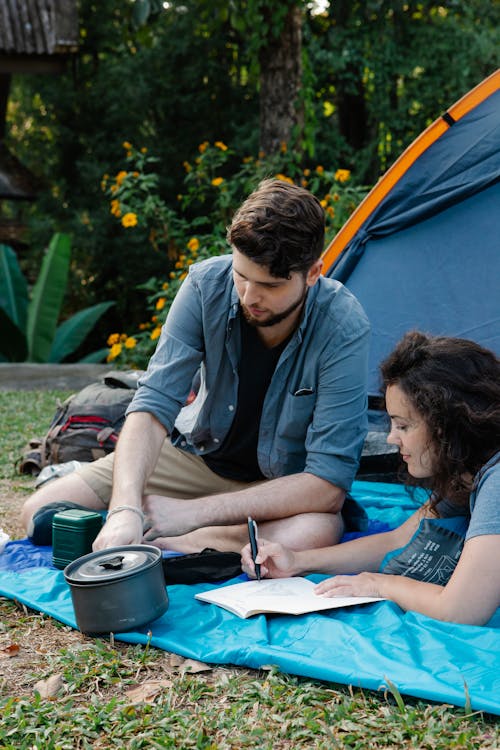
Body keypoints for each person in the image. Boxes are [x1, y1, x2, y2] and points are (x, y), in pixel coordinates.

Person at [21, 178, 371, 554]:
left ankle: (173, 540)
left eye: (269, 285)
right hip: (196, 458)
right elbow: (153, 404)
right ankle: (146, 530)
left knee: (315, 532)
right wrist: (124, 507)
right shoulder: (206, 285)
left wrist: (195, 513)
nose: (249, 297)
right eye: (241, 276)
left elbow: (327, 484)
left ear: (313, 273)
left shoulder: (344, 325)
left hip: (278, 485)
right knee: (38, 510)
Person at [241, 331, 500, 625]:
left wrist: (379, 584)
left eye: (403, 426)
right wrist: (297, 562)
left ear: (447, 424)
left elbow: (460, 611)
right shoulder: (468, 469)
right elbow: (400, 539)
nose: (391, 438)